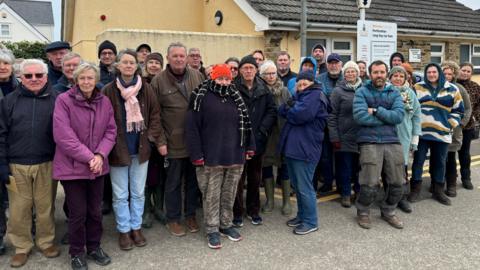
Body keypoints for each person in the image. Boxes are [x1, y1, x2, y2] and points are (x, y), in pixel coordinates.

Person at [53, 63, 116, 270]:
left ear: (95, 79)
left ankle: (94, 246)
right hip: (73, 168)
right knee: (78, 213)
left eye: (90, 78)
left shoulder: (104, 101)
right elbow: (64, 136)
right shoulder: (63, 101)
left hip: (97, 166)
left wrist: (100, 155)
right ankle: (77, 252)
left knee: (95, 212)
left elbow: (110, 131)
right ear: (76, 80)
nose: (87, 82)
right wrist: (90, 157)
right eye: (83, 78)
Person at [186, 64, 255, 249]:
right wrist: (196, 154)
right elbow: (192, 128)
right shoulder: (200, 96)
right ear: (212, 78)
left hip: (234, 153)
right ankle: (212, 229)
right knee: (211, 194)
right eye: (220, 78)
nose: (224, 82)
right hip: (210, 156)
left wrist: (250, 147)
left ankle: (226, 224)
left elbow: (247, 123)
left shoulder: (236, 96)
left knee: (229, 192)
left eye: (227, 79)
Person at [102, 49, 165, 250]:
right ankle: (123, 230)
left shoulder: (145, 88)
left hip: (141, 148)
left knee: (138, 192)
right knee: (120, 194)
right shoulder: (108, 90)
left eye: (132, 62)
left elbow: (155, 115)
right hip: (118, 149)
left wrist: (150, 137)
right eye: (125, 62)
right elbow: (103, 120)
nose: (129, 65)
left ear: (137, 66)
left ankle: (136, 228)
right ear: (117, 66)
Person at [0, 59, 59, 267]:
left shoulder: (57, 99)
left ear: (45, 76)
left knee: (45, 208)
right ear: (20, 78)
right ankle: (22, 247)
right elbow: (1, 135)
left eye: (38, 75)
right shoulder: (8, 101)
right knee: (19, 210)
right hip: (17, 165)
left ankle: (45, 242)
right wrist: (2, 165)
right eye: (28, 76)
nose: (34, 79)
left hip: (47, 162)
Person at [150, 42, 204, 237]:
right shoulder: (158, 81)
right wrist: (161, 142)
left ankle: (190, 215)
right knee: (172, 183)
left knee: (192, 182)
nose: (179, 59)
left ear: (187, 57)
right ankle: (173, 218)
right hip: (172, 143)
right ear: (168, 57)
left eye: (182, 56)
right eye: (175, 56)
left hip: (195, 142)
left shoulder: (197, 76)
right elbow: (154, 115)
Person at [353, 60, 406, 229]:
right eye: (375, 72)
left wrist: (376, 110)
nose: (379, 75)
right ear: (370, 74)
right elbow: (360, 117)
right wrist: (386, 116)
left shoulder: (394, 93)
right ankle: (363, 211)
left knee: (398, 182)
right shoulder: (361, 92)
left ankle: (389, 211)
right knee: (369, 183)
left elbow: (398, 117)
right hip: (369, 141)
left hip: (392, 140)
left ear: (386, 73)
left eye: (382, 72)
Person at [278, 70, 329, 235]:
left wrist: (291, 108)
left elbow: (301, 115)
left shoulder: (315, 95)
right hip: (294, 149)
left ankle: (310, 221)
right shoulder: (301, 97)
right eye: (299, 85)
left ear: (311, 83)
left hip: (305, 149)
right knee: (298, 186)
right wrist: (292, 108)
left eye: (304, 84)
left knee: (305, 187)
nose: (301, 87)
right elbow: (282, 109)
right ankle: (301, 216)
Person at [408, 63, 464, 206]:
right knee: (418, 162)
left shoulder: (452, 89)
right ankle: (415, 190)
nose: (431, 74)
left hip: (442, 133)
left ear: (439, 73)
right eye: (429, 72)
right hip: (421, 133)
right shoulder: (418, 87)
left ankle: (438, 190)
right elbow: (411, 109)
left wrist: (448, 124)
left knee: (440, 162)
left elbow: (458, 111)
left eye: (434, 72)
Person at [233, 55, 276, 227]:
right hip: (238, 140)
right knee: (237, 179)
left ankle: (253, 210)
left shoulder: (263, 88)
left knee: (254, 177)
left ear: (256, 70)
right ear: (240, 70)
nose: (248, 71)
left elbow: (271, 111)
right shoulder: (233, 88)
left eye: (251, 68)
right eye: (245, 68)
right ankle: (237, 212)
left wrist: (262, 130)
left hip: (258, 139)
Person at [259, 60, 292, 215]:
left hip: (282, 132)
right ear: (262, 75)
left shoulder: (284, 91)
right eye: (267, 73)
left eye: (273, 73)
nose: (271, 76)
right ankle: (270, 200)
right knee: (266, 166)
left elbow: (292, 109)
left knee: (284, 166)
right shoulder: (259, 89)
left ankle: (286, 202)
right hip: (266, 134)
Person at [327, 61, 362, 208]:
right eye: (347, 71)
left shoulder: (364, 89)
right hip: (343, 136)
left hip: (361, 136)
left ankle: (359, 193)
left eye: (353, 71)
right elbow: (331, 115)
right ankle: (346, 194)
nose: (350, 74)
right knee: (345, 168)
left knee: (360, 168)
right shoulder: (338, 91)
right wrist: (334, 136)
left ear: (357, 73)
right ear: (344, 73)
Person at [388, 66, 421, 213]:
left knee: (402, 170)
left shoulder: (410, 94)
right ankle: (389, 198)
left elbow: (416, 116)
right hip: (386, 135)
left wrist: (415, 139)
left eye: (401, 76)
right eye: (395, 76)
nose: (398, 78)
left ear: (405, 78)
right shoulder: (385, 91)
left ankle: (401, 198)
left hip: (404, 137)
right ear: (390, 77)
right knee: (387, 169)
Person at [141, 51, 167, 229]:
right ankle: (146, 210)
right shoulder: (140, 84)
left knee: (160, 174)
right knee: (145, 176)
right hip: (145, 135)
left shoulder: (165, 82)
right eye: (151, 62)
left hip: (164, 134)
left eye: (157, 63)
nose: (154, 66)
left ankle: (159, 207)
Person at [442, 61, 472, 197]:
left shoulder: (459, 88)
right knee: (438, 158)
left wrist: (461, 123)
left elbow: (467, 108)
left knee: (451, 157)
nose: (447, 76)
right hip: (438, 129)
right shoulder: (435, 87)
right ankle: (437, 183)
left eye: (450, 73)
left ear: (454, 74)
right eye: (445, 73)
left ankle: (451, 185)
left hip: (454, 129)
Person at [316, 53, 343, 194]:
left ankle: (340, 183)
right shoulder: (319, 79)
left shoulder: (347, 78)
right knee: (325, 157)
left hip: (342, 125)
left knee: (341, 157)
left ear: (341, 65)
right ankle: (327, 182)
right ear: (327, 65)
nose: (333, 65)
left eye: (336, 63)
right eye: (331, 63)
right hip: (324, 124)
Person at [0, 48, 17, 256]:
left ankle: (27, 229)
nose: (2, 67)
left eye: (6, 63)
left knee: (19, 197)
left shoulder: (22, 87)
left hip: (16, 149)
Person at [456, 62, 480, 190]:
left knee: (464, 153)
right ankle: (450, 178)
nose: (465, 73)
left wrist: (475, 117)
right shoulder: (452, 84)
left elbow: (478, 106)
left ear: (471, 73)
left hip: (468, 126)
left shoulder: (475, 87)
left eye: (468, 71)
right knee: (448, 154)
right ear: (458, 70)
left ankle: (466, 178)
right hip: (451, 126)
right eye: (463, 70)